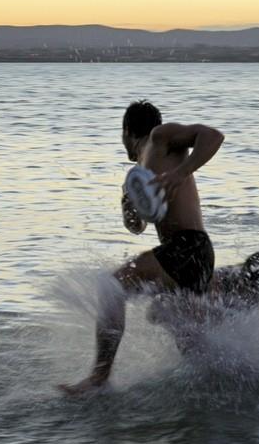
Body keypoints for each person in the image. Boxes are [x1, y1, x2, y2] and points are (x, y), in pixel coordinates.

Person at [59, 100, 224, 394]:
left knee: (113, 287)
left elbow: (212, 136)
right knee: (189, 345)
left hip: (189, 248)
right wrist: (128, 207)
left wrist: (181, 172)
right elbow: (137, 228)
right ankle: (232, 376)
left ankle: (99, 377)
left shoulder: (160, 137)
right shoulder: (137, 175)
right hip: (184, 256)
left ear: (126, 131)